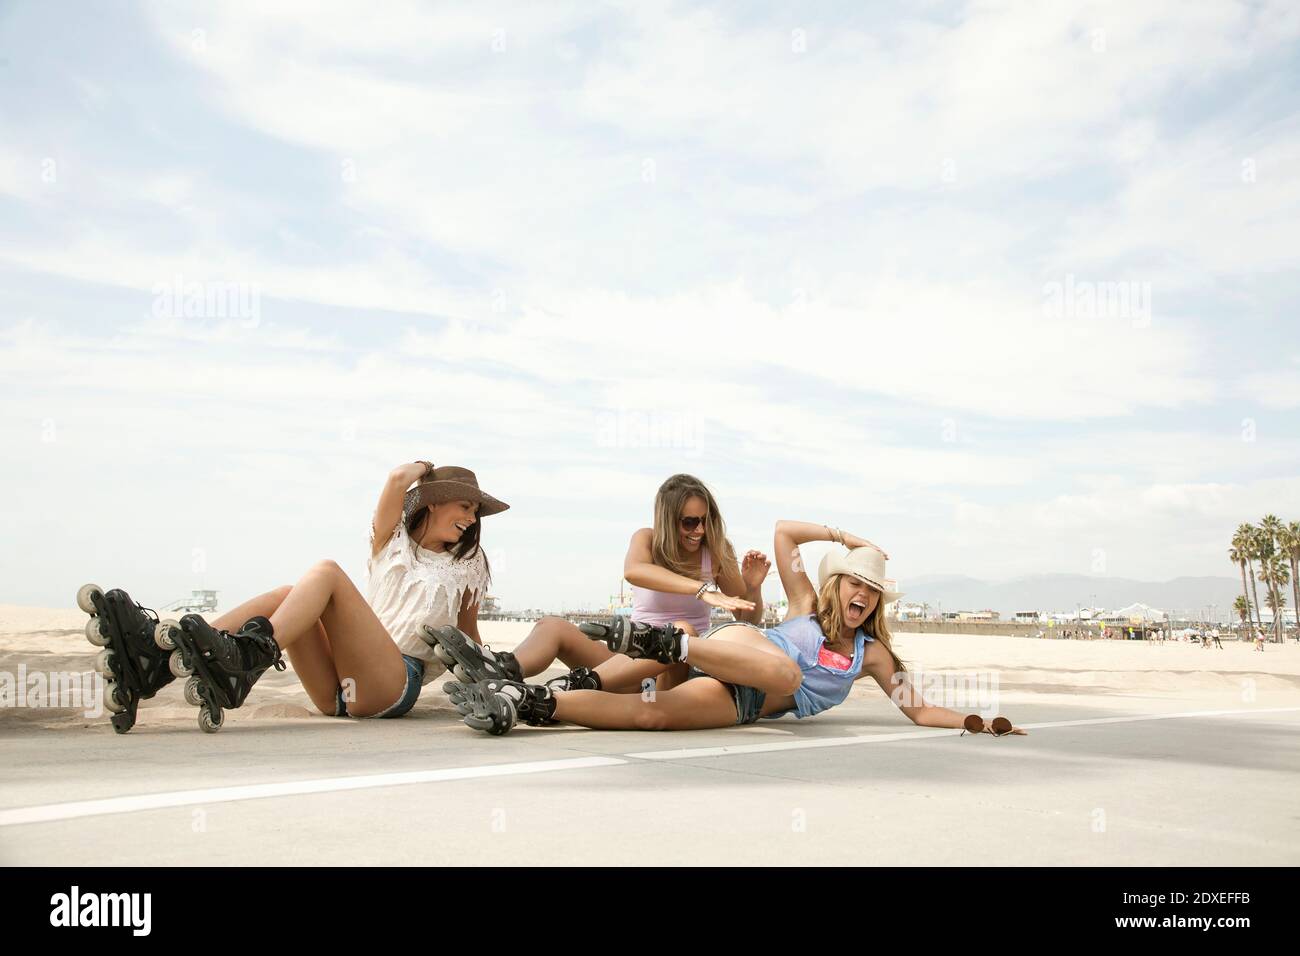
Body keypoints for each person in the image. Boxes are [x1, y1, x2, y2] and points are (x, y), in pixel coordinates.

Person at [443, 520, 1026, 737]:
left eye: (871, 592)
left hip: (744, 700)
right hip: (735, 648)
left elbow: (920, 711)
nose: (862, 594)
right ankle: (657, 640)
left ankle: (528, 702)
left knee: (653, 715)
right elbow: (784, 534)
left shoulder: (872, 655)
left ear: (876, 606)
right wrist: (846, 539)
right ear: (837, 586)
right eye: (855, 583)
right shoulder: (802, 606)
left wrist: (981, 722)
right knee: (788, 667)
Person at [78, 461, 507, 733]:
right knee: (290, 594)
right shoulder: (390, 545)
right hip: (338, 688)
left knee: (326, 573)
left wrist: (498, 686)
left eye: (475, 512)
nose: (471, 519)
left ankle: (245, 659)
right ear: (433, 503)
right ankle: (152, 664)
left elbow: (468, 636)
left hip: (391, 685)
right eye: (465, 507)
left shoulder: (468, 565)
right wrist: (423, 469)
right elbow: (396, 480)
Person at [424, 473, 769, 697]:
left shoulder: (716, 552)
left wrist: (752, 588)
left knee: (678, 633)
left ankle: (573, 691)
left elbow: (747, 621)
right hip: (627, 660)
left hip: (674, 668)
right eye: (689, 522)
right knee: (553, 626)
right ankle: (501, 671)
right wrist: (700, 589)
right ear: (668, 519)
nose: (699, 530)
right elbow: (635, 571)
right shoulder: (647, 539)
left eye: (705, 521)